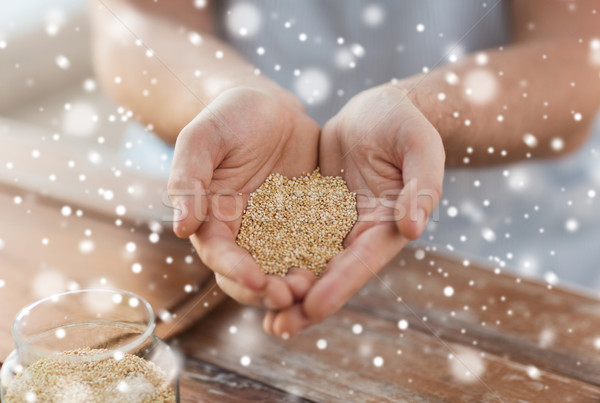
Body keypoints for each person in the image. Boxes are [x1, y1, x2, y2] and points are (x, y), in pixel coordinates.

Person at [91, 0, 600, 338]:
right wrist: (223, 97)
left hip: (507, 248)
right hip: (217, 200)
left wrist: (424, 108)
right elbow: (137, 24)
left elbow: (578, 53)